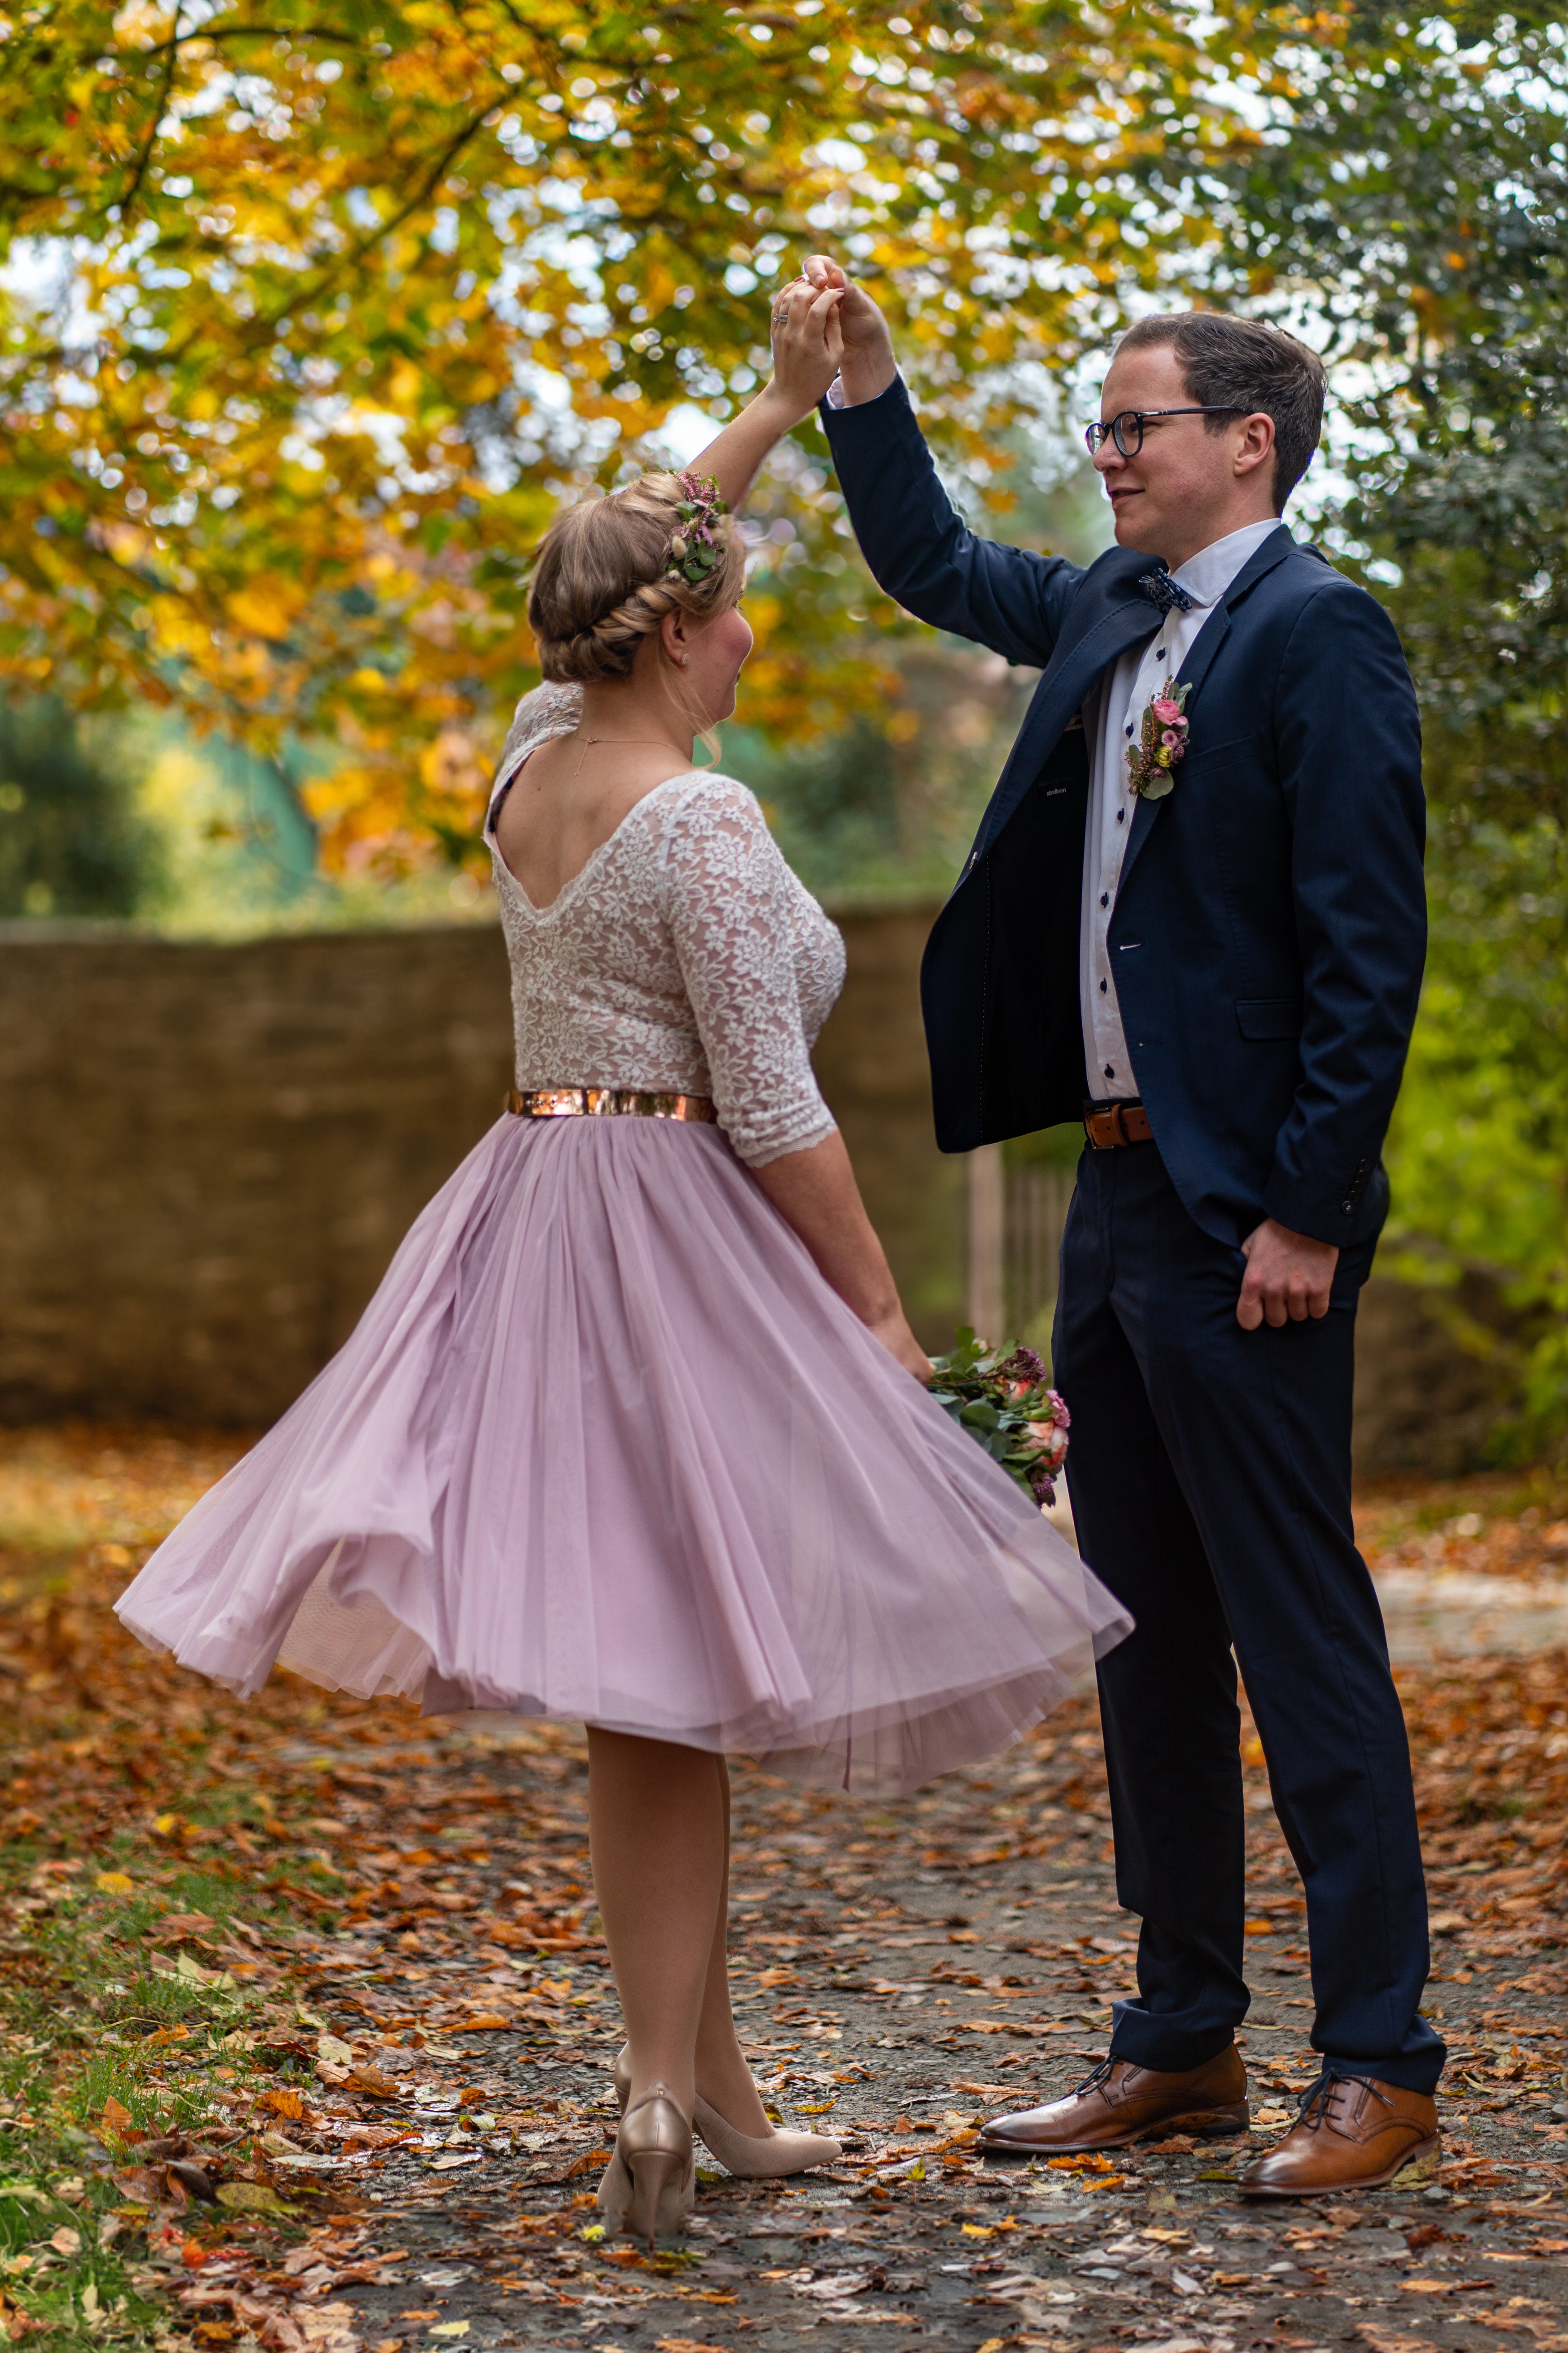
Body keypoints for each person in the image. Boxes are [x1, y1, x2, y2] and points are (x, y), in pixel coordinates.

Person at [114, 283, 1129, 2245]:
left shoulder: (527, 760)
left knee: (655, 1683)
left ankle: (704, 2091)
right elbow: (773, 1105)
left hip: (532, 1212)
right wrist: (874, 1314)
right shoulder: (702, 823)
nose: (749, 634)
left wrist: (774, 406)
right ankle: (660, 2089)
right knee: (669, 1676)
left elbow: (634, 541)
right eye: (734, 611)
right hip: (676, 1238)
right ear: (675, 635)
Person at [799, 255, 1441, 2199]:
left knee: (1294, 1630)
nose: (1103, 455)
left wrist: (1307, 1213)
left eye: (1130, 424)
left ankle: (1378, 2060)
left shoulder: (1318, 634)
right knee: (1139, 1628)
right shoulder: (1105, 610)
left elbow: (1364, 948)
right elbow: (931, 562)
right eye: (1096, 427)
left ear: (1246, 443)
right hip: (1110, 1191)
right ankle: (1179, 2041)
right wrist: (862, 392)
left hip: (1248, 1221)